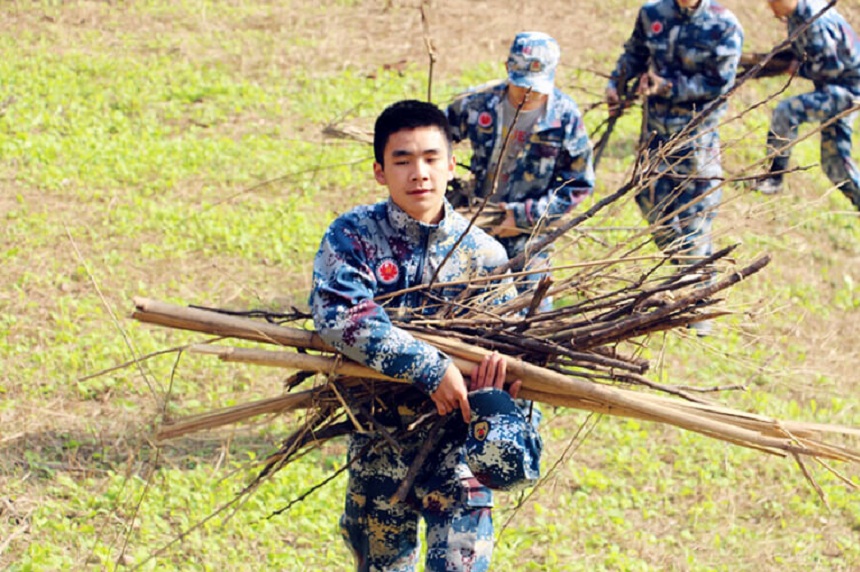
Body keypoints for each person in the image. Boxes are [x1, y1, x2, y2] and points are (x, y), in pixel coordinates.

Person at [310, 99, 531, 571]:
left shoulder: (483, 254)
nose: (419, 173)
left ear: (452, 165)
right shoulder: (353, 237)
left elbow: (512, 352)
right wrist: (432, 369)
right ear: (379, 171)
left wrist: (498, 403)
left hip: (460, 456)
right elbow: (340, 315)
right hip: (379, 447)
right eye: (402, 160)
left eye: (431, 158)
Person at [605, 0, 743, 335]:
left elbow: (719, 84)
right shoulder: (652, 13)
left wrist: (667, 86)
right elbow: (634, 53)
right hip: (655, 134)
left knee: (695, 217)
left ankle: (699, 308)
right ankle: (693, 271)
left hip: (696, 139)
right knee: (651, 205)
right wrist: (617, 83)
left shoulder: (724, 26)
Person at [446, 31, 595, 301]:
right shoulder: (478, 103)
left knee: (532, 312)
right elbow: (433, 139)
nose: (528, 93)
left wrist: (523, 216)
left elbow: (578, 184)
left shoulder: (564, 117)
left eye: (536, 87)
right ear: (507, 69)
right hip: (472, 222)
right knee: (463, 301)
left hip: (528, 233)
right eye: (521, 84)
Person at [753, 0, 860, 210]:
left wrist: (798, 69)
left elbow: (831, 67)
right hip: (836, 87)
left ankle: (774, 177)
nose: (770, 6)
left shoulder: (814, 19)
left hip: (848, 91)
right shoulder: (797, 16)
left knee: (787, 111)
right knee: (835, 162)